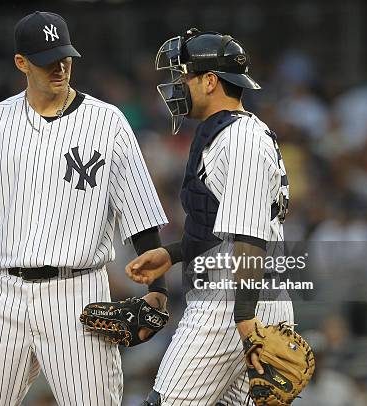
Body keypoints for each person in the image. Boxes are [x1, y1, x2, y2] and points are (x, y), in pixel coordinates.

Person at [0, 11, 168, 406]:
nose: (59, 67)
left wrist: (158, 291)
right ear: (21, 63)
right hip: (2, 294)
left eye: (65, 57)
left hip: (78, 293)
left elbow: (140, 213)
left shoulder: (107, 123)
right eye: (46, 60)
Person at [127, 29, 293, 405]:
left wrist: (246, 322)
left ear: (210, 81)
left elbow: (250, 240)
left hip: (232, 301)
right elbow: (220, 225)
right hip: (241, 295)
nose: (177, 85)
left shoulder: (241, 140)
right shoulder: (233, 134)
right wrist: (173, 253)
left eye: (183, 75)